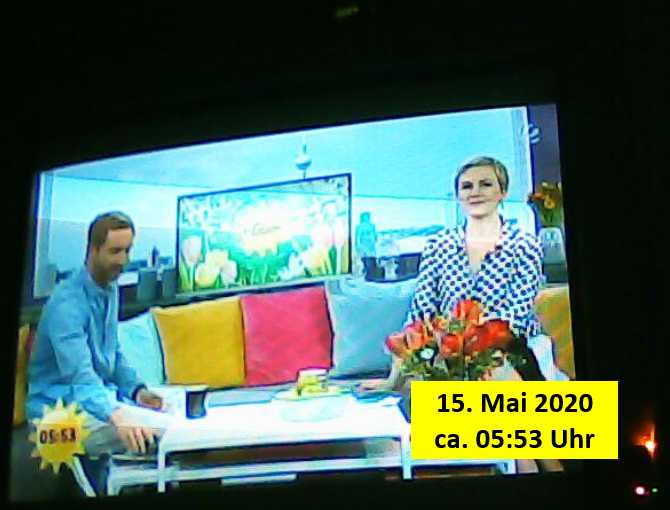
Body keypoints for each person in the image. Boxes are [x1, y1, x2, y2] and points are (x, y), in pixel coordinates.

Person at [360, 156, 567, 472]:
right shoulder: (439, 245)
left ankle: (537, 469)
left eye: (486, 184)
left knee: (498, 377)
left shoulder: (524, 244)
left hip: (507, 348)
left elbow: (516, 314)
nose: (475, 192)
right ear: (458, 195)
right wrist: (394, 377)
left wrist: (473, 351)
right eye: (467, 186)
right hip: (446, 352)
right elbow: (421, 311)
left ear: (502, 192)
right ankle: (542, 471)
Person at [26, 211, 170, 494]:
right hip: (54, 417)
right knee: (163, 433)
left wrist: (138, 391)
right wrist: (116, 414)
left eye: (128, 250)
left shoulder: (109, 287)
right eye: (115, 251)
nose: (123, 260)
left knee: (169, 413)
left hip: (91, 401)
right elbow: (80, 377)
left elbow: (112, 353)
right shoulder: (67, 304)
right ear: (93, 249)